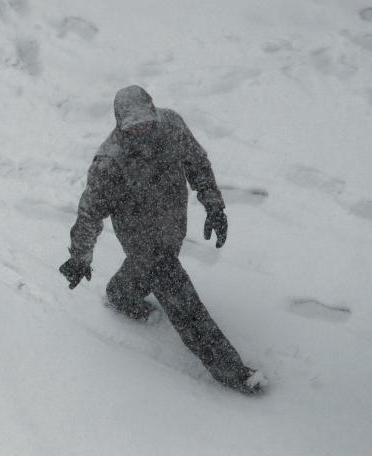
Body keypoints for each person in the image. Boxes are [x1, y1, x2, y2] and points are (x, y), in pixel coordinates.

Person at [60, 85, 265, 395]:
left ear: (154, 113)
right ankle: (232, 372)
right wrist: (80, 257)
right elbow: (89, 213)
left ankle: (120, 293)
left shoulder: (171, 126)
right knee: (182, 301)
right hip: (139, 234)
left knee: (154, 268)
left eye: (146, 122)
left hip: (171, 221)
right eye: (134, 127)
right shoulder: (109, 162)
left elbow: (196, 162)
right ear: (120, 125)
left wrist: (213, 204)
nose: (142, 131)